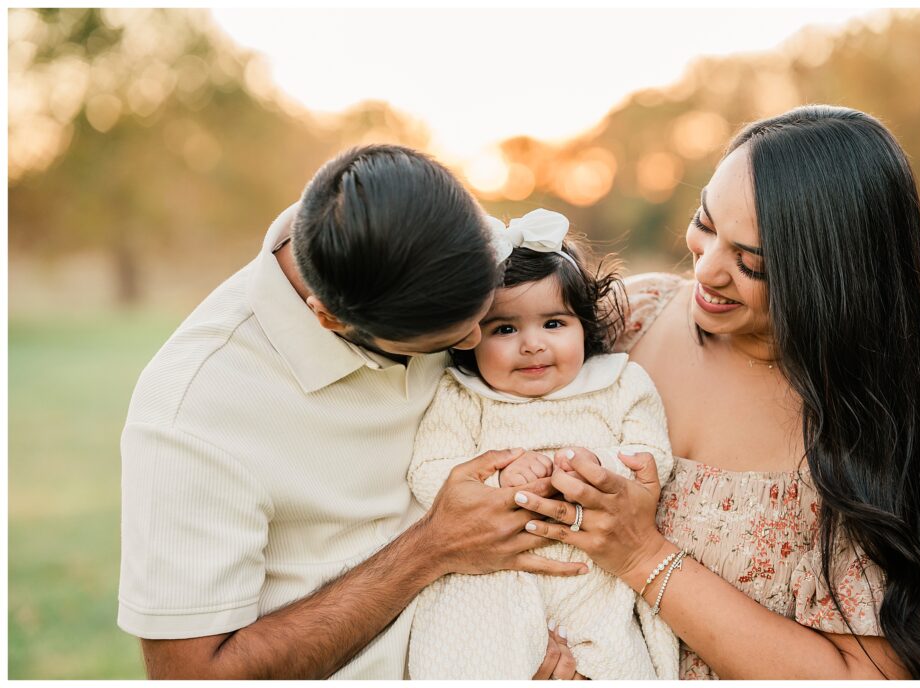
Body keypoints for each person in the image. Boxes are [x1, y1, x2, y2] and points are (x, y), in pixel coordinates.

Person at [511, 105, 920, 679]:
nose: (708, 270)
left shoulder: (863, 433)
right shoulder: (625, 320)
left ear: (834, 279)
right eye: (706, 223)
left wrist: (642, 556)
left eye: (751, 263)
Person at [117, 144, 587, 680]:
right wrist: (432, 548)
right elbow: (193, 676)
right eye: (450, 339)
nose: (477, 343)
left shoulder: (433, 230)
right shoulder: (193, 414)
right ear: (332, 321)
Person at [405, 209, 678, 679]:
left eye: (554, 323)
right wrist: (497, 479)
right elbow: (428, 471)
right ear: (470, 337)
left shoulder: (619, 383)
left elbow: (654, 456)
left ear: (584, 326)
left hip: (593, 577)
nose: (532, 345)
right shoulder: (462, 395)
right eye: (505, 329)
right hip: (491, 583)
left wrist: (600, 466)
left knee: (615, 658)